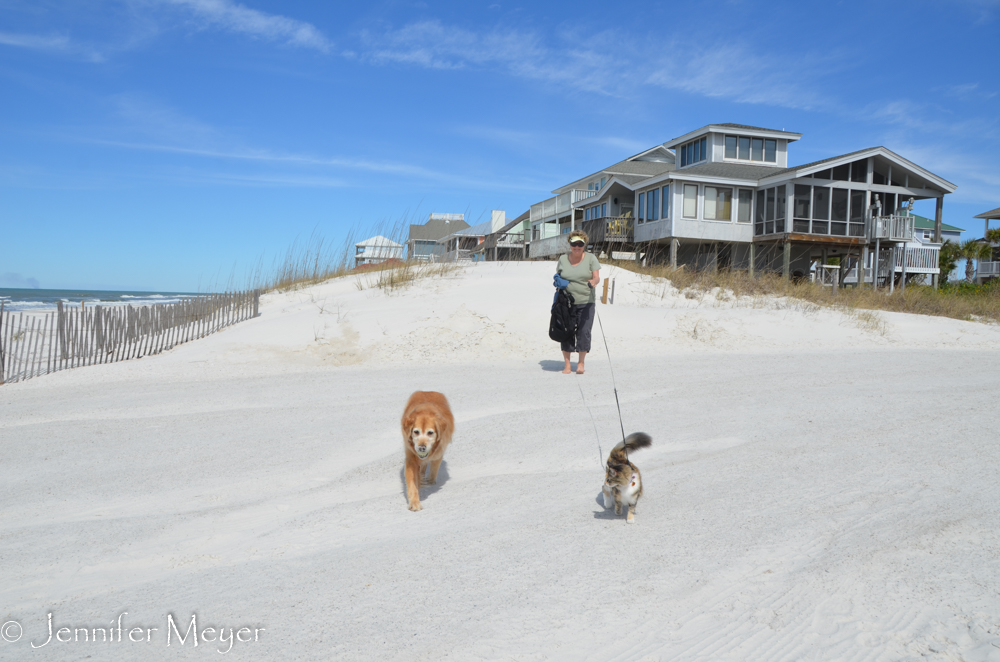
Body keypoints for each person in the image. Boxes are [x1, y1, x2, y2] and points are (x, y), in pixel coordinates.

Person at [555, 230, 600, 374]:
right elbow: (558, 276)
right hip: (566, 302)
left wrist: (594, 282)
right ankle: (567, 365)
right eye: (574, 243)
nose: (577, 247)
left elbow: (597, 277)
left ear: (584, 244)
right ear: (570, 244)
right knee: (566, 331)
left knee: (584, 331)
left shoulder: (591, 258)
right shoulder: (562, 259)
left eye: (580, 244)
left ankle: (581, 363)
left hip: (586, 301)